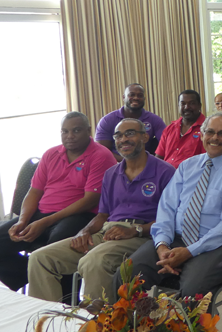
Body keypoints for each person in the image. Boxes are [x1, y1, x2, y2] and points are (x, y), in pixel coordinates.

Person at [28, 118, 175, 302]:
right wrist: (85, 231)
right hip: (107, 231)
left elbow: (170, 219)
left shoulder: (165, 172)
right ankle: (49, 322)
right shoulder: (112, 174)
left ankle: (99, 325)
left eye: (130, 133)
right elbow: (103, 215)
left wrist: (134, 230)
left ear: (145, 137)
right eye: (118, 135)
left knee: (94, 261)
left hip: (143, 235)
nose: (123, 139)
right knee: (40, 258)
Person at [114, 112, 222, 297]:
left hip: (218, 243)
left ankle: (184, 326)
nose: (214, 138)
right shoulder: (187, 166)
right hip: (176, 238)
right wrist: (163, 245)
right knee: (125, 277)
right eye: (210, 132)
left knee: (192, 291)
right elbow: (167, 209)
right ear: (203, 134)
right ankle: (132, 325)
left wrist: (189, 251)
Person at [0, 112, 117, 293]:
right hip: (43, 214)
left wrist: (45, 222)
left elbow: (90, 200)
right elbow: (34, 192)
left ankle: (64, 302)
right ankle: (30, 274)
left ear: (88, 131)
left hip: (81, 215)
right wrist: (23, 220)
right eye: (64, 131)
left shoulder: (101, 155)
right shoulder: (51, 154)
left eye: (76, 131)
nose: (69, 136)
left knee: (56, 247)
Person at [95, 83, 166, 160]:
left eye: (140, 95)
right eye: (131, 95)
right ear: (124, 97)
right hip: (116, 163)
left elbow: (167, 145)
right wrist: (128, 162)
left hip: (145, 163)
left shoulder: (154, 119)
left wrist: (153, 163)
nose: (136, 98)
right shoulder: (107, 120)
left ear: (144, 99)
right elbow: (102, 151)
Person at [155, 90, 206, 168]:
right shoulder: (170, 129)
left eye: (191, 103)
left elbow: (207, 161)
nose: (187, 107)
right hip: (167, 176)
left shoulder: (207, 129)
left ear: (199, 106)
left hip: (192, 177)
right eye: (183, 104)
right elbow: (159, 157)